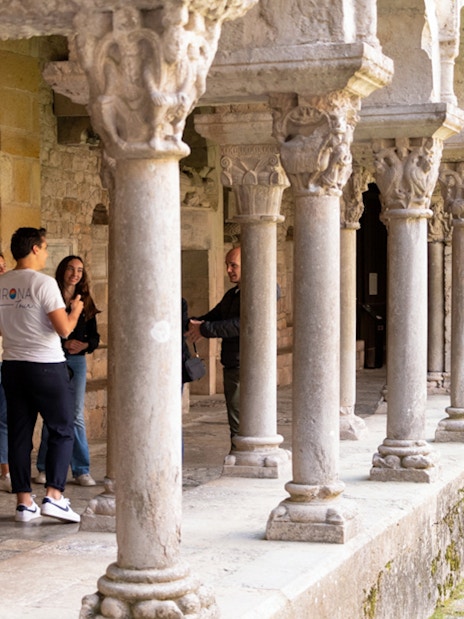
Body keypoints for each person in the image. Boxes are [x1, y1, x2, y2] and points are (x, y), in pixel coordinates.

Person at [0, 227, 83, 522]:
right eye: (45, 248)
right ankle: (54, 496)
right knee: (62, 428)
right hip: (46, 365)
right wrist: (75, 310)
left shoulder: (2, 282)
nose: (47, 254)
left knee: (20, 433)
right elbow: (64, 329)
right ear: (35, 248)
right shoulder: (44, 283)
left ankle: (24, 502)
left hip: (12, 365)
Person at [35, 255, 100, 487]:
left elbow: (94, 336)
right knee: (52, 412)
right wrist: (64, 344)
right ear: (63, 270)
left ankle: (81, 469)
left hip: (78, 362)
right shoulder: (51, 295)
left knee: (75, 415)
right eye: (71, 269)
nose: (75, 274)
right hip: (53, 359)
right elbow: (43, 328)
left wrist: (84, 345)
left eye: (80, 270)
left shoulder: (85, 300)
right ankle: (44, 467)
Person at [186, 247, 241, 445]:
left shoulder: (258, 293)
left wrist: (205, 329)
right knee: (235, 417)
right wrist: (191, 324)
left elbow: (240, 325)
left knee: (240, 419)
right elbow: (214, 317)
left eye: (233, 265)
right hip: (232, 363)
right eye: (227, 265)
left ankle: (242, 456)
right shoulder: (232, 294)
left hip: (244, 365)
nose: (228, 270)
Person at [0, 253, 11, 492]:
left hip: (4, 362)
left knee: (4, 418)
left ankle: (6, 469)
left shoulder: (9, 296)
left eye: (3, 267)